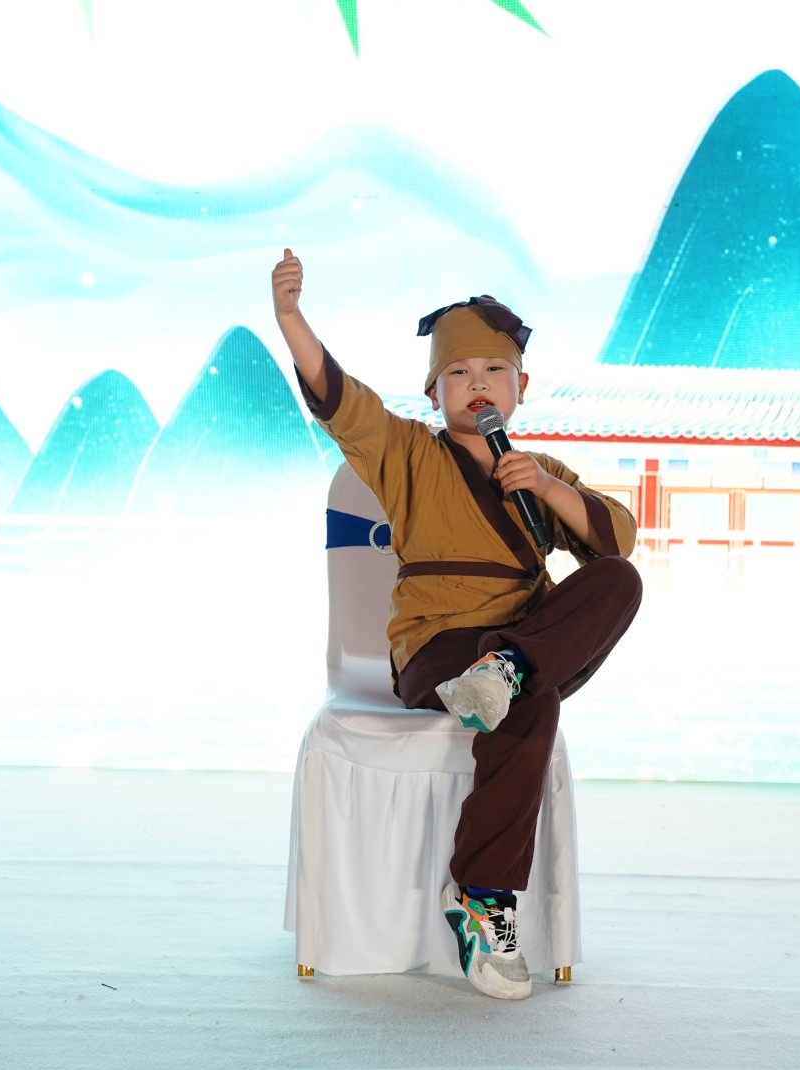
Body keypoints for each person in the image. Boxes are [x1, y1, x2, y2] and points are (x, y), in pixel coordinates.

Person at [271, 248, 642, 1001]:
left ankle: (508, 669)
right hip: (439, 651)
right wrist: (291, 319)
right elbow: (344, 403)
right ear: (432, 391)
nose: (478, 384)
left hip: (516, 645)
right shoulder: (407, 452)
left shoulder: (538, 471)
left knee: (619, 582)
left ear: (521, 387)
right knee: (528, 697)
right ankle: (484, 897)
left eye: (495, 371)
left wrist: (547, 490)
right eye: (459, 372)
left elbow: (618, 539)